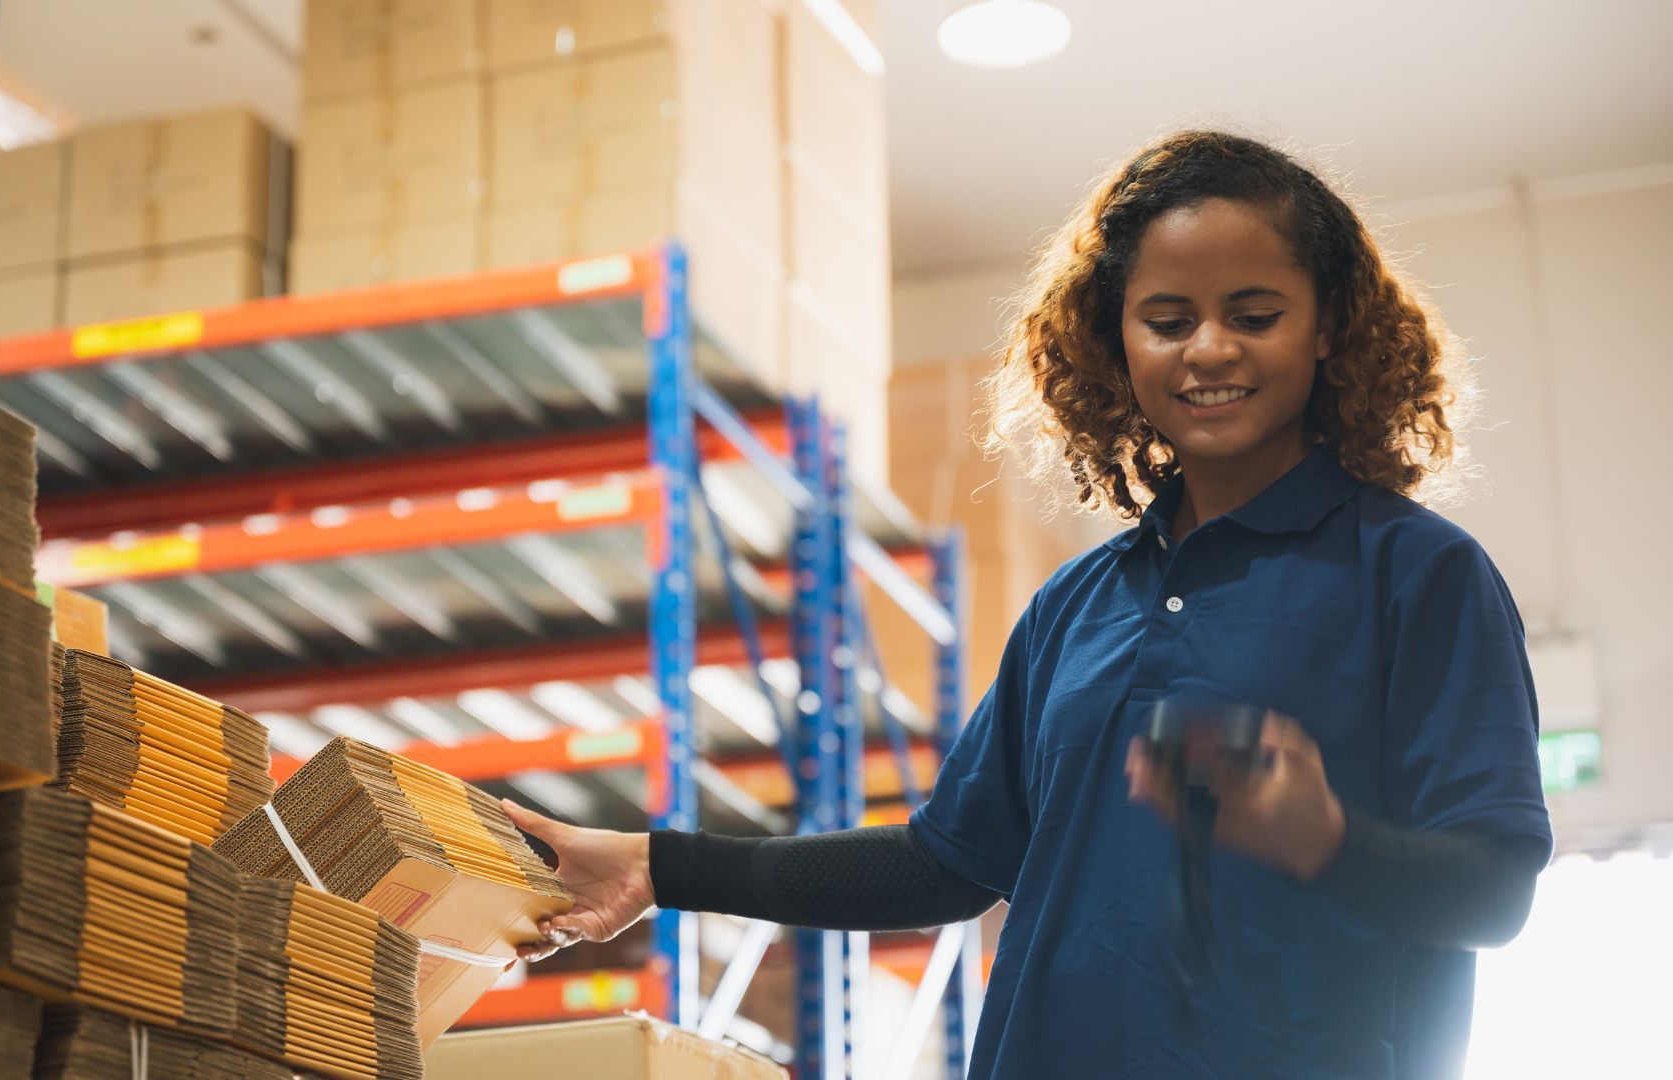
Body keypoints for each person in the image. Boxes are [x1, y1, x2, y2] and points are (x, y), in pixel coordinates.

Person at [500, 130, 1552, 1079]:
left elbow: (1494, 891)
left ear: (1327, 329)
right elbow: (942, 863)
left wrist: (1323, 832)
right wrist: (660, 864)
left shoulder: (1417, 576)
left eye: (1256, 314)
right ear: (1119, 343)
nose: (1210, 350)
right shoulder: (1077, 606)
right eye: (1168, 320)